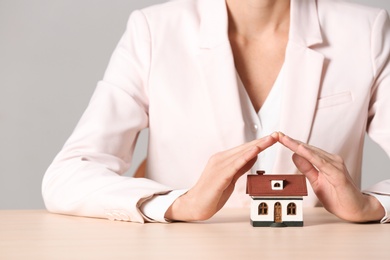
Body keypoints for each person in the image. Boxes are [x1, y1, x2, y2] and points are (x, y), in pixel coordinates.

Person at [42, 0, 390, 224]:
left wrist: (371, 206)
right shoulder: (154, 30)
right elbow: (68, 175)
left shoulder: (366, 30)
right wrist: (177, 204)